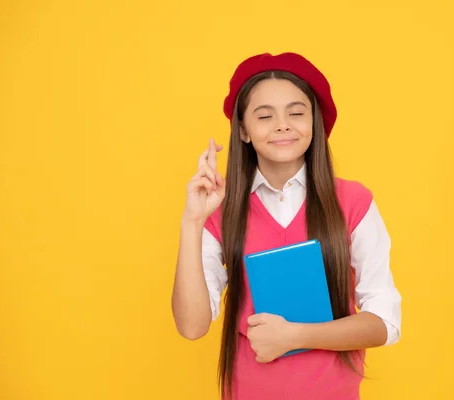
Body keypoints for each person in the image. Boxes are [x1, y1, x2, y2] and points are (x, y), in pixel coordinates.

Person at [171, 52, 402, 400]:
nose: (282, 125)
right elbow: (192, 326)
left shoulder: (354, 203)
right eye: (264, 116)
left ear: (315, 122)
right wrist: (192, 221)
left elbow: (385, 323)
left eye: (296, 113)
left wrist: (294, 335)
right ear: (244, 130)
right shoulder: (222, 210)